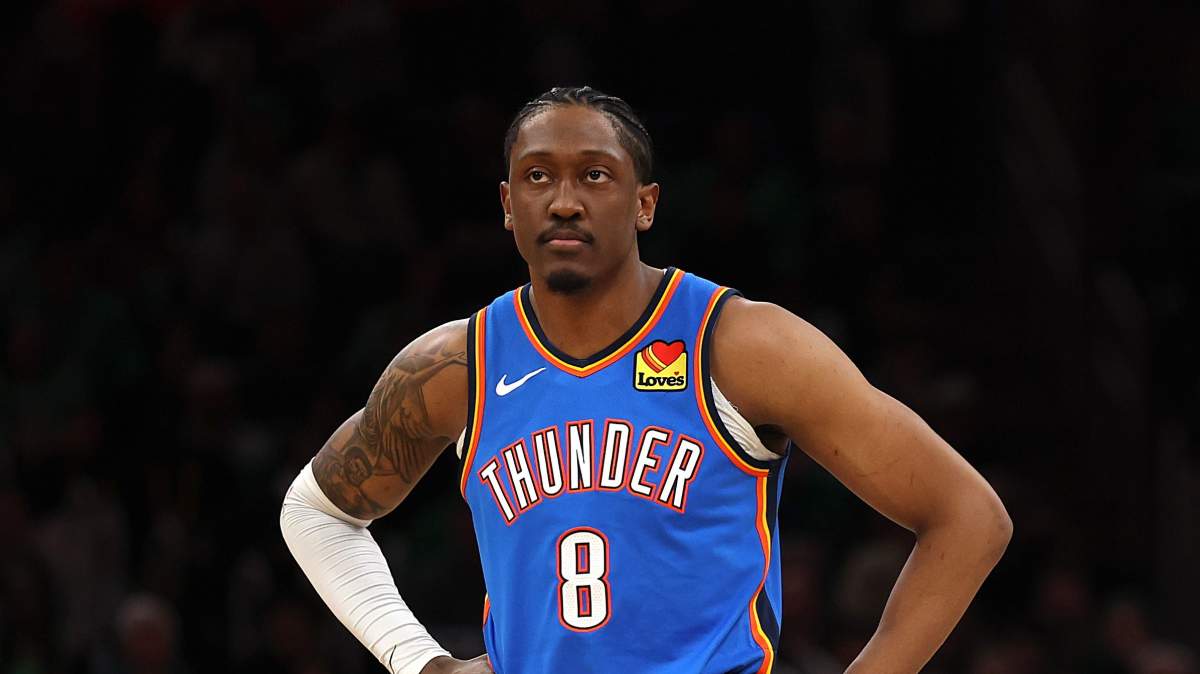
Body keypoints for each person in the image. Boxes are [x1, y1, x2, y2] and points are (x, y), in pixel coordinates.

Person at [280, 86, 1012, 674]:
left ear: (645, 204)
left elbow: (969, 516)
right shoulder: (457, 366)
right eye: (538, 176)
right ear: (507, 205)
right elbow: (315, 513)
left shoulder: (741, 345)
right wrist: (419, 660)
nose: (564, 200)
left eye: (594, 175)